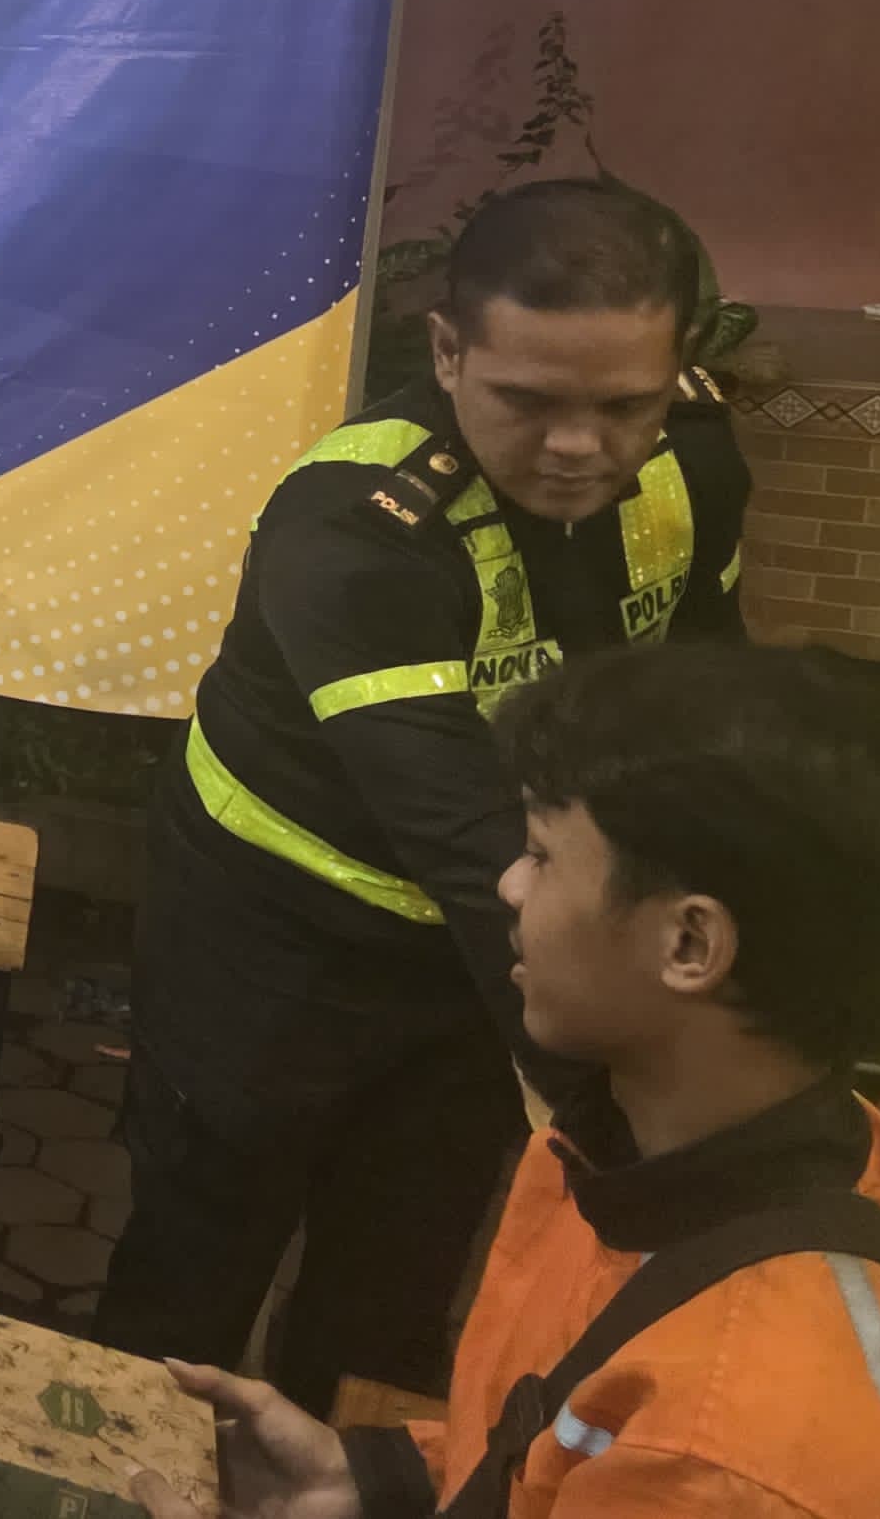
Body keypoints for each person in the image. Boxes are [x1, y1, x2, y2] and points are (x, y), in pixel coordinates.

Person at [99, 180, 753, 1410]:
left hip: (490, 943)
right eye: (529, 400)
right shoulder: (355, 524)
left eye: (624, 404)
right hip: (273, 937)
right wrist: (623, 1096)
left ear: (676, 368)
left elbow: (707, 692)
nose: (579, 445)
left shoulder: (696, 464)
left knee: (395, 1283)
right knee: (196, 1258)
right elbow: (458, 828)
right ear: (447, 351)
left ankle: (337, 1478)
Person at [132, 644, 880, 1519]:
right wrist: (382, 1476)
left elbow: (658, 1462)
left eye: (542, 855)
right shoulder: (664, 1154)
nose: (509, 884)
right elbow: (566, 1442)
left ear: (690, 944)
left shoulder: (724, 1460)